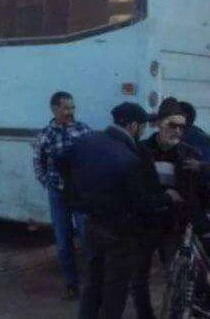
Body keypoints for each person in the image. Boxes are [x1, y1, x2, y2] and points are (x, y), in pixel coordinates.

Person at [59, 102, 181, 319]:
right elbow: (141, 202)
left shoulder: (88, 140)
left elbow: (61, 162)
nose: (144, 130)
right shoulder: (129, 157)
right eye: (143, 125)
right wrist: (167, 197)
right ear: (133, 126)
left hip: (92, 224)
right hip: (120, 231)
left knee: (94, 282)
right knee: (115, 290)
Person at [129, 98, 209, 319]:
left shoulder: (190, 154)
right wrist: (163, 197)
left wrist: (202, 172)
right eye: (171, 125)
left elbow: (202, 192)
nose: (177, 131)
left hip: (174, 225)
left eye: (181, 127)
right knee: (139, 277)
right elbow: (134, 192)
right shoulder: (140, 151)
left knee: (177, 276)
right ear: (158, 124)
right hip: (144, 224)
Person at [33, 91, 92, 300]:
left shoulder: (83, 130)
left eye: (73, 107)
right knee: (63, 239)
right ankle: (71, 284)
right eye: (66, 108)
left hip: (80, 193)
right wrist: (48, 184)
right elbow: (38, 163)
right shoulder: (45, 134)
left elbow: (93, 158)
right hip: (58, 194)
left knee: (87, 236)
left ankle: (94, 283)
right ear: (55, 109)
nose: (70, 112)